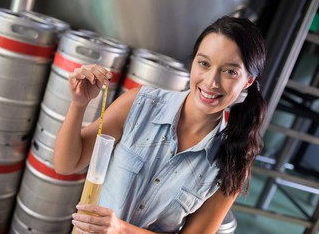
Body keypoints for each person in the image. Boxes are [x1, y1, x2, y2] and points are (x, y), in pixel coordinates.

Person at [53, 15, 267, 234]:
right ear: (193, 63)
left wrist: (120, 229)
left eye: (230, 72)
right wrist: (79, 105)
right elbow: (66, 164)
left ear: (248, 81)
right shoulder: (139, 105)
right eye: (204, 63)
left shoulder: (234, 160)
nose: (211, 82)